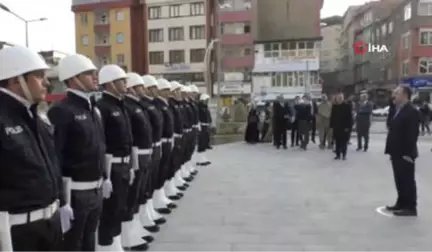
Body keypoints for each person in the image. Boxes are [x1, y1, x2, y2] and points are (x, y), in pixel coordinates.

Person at [0, 46, 65, 252]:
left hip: (49, 225)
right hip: (18, 233)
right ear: (15, 80)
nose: (47, 83)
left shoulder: (35, 116)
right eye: (39, 76)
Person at [48, 54, 105, 252]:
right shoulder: (61, 111)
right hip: (76, 194)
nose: (95, 77)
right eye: (89, 73)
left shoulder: (93, 109)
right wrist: (62, 200)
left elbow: (99, 146)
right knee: (73, 245)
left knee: (90, 243)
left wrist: (104, 178)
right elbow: (55, 158)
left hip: (95, 189)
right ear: (74, 79)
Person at [96, 64, 134, 251]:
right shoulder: (102, 107)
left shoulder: (121, 105)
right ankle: (106, 246)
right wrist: (105, 175)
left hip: (124, 166)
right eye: (122, 80)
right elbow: (100, 143)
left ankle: (116, 246)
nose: (126, 84)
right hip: (112, 167)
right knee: (109, 212)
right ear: (110, 83)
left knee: (120, 208)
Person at [122, 72, 155, 249]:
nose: (144, 90)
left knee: (140, 192)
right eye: (140, 86)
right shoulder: (127, 106)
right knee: (132, 195)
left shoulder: (137, 105)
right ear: (132, 88)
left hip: (145, 151)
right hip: (135, 155)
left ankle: (134, 229)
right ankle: (127, 235)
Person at [384, 86, 419, 216]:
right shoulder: (397, 110)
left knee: (407, 180)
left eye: (397, 93)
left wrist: (408, 153)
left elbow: (412, 134)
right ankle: (401, 202)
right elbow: (390, 126)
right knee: (399, 179)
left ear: (405, 95)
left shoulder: (411, 111)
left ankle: (410, 207)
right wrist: (392, 106)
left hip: (405, 153)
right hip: (395, 151)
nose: (394, 95)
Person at [330, 93, 353, 160]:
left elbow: (350, 118)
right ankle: (337, 154)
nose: (339, 99)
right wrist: (331, 126)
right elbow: (332, 117)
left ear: (343, 98)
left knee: (344, 143)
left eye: (340, 98)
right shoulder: (334, 107)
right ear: (336, 99)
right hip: (336, 128)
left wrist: (348, 127)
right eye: (338, 98)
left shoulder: (347, 106)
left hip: (344, 128)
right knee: (337, 142)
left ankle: (344, 155)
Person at [197, 93, 212, 165]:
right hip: (201, 125)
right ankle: (200, 159)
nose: (207, 101)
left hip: (205, 126)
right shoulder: (199, 107)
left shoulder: (205, 107)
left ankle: (204, 158)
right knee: (201, 142)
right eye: (206, 100)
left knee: (205, 142)